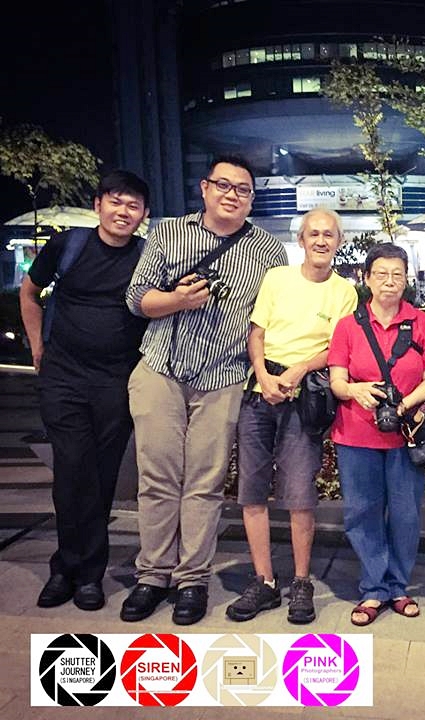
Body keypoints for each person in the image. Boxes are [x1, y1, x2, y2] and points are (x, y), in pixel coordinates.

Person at [120, 155, 287, 625]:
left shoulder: (269, 250)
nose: (232, 195)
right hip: (161, 370)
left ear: (251, 199)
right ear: (205, 188)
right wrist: (177, 300)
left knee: (204, 483)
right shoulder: (169, 233)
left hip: (224, 378)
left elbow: (273, 317)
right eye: (224, 185)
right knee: (157, 477)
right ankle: (153, 575)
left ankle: (192, 579)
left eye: (243, 190)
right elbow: (136, 298)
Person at [20, 170, 150, 611]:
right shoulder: (68, 245)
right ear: (98, 205)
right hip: (64, 377)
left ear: (143, 214)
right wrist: (37, 346)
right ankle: (65, 569)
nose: (123, 211)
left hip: (116, 381)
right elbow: (30, 292)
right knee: (72, 469)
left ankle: (90, 574)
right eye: (115, 201)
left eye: (133, 205)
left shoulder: (146, 256)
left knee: (102, 474)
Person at [225, 209, 357, 625]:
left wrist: (299, 370)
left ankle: (301, 581)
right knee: (251, 489)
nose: (321, 240)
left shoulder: (344, 292)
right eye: (313, 233)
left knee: (300, 494)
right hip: (260, 391)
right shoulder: (277, 278)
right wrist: (263, 375)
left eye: (329, 235)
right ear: (300, 240)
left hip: (305, 397)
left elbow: (338, 348)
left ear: (338, 242)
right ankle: (264, 581)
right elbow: (257, 332)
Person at [328, 244, 425, 627]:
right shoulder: (349, 325)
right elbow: (337, 380)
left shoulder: (420, 322)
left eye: (397, 274)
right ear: (366, 278)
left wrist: (405, 405)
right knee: (362, 511)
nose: (389, 282)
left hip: (407, 434)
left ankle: (398, 586)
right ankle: (373, 588)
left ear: (406, 280)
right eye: (381, 274)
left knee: (406, 512)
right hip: (356, 433)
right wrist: (355, 390)